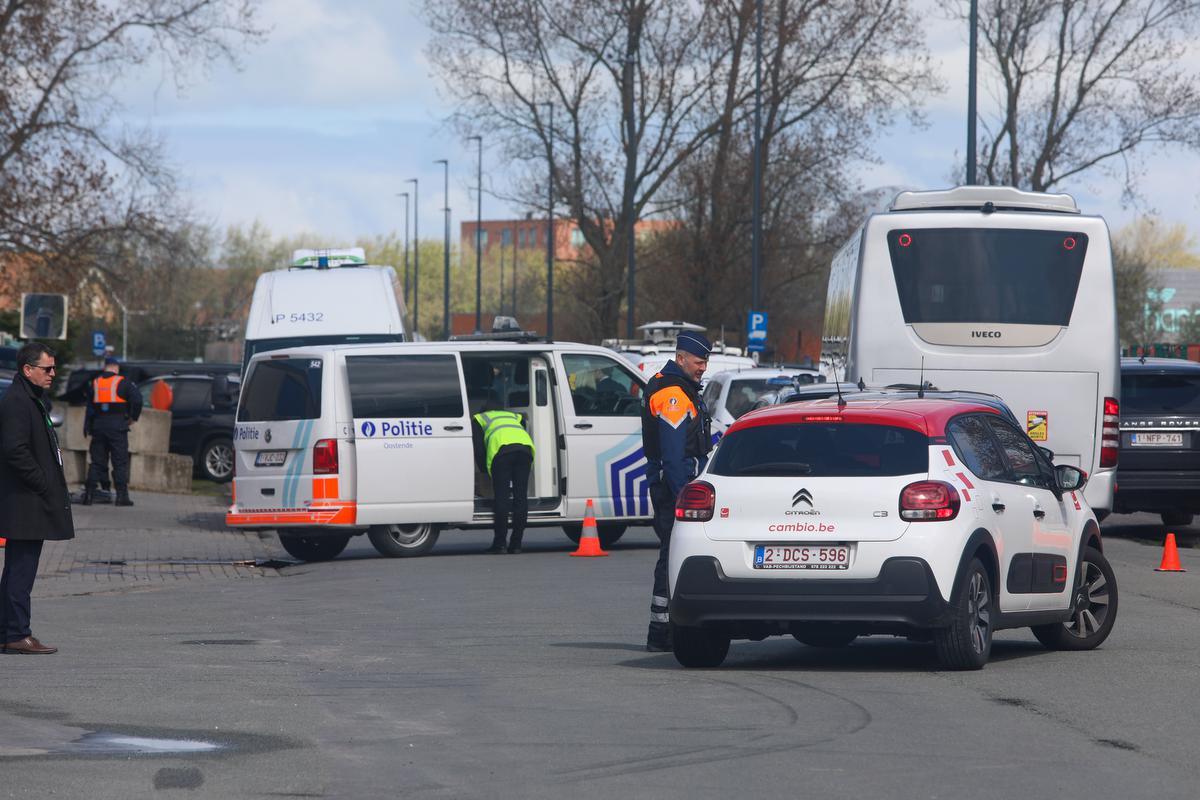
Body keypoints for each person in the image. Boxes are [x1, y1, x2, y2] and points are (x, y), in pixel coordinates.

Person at [640, 330, 713, 652]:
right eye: (699, 362)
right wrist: (685, 495)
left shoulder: (674, 385)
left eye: (705, 362)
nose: (703, 368)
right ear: (681, 358)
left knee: (672, 555)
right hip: (675, 490)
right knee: (672, 556)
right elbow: (672, 456)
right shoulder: (673, 394)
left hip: (672, 486)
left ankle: (664, 628)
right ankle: (661, 632)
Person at [0, 342, 75, 654]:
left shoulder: (30, 398)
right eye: (47, 369)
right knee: (20, 569)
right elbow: (14, 449)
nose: (52, 374)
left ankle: (9, 631)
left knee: (19, 568)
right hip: (24, 501)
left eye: (54, 368)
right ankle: (17, 633)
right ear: (27, 370)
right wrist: (42, 482)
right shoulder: (18, 401)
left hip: (28, 499)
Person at [473, 399, 535, 554]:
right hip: (525, 451)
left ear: (484, 410)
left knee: (502, 498)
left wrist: (484, 472)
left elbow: (479, 450)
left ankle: (500, 544)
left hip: (502, 453)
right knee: (520, 497)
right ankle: (516, 545)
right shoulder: (514, 417)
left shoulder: (480, 419)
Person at [82, 356, 142, 506]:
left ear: (105, 367)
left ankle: (88, 495)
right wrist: (133, 417)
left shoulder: (95, 383)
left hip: (98, 426)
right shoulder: (123, 382)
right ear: (116, 368)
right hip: (117, 427)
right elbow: (138, 400)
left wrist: (87, 426)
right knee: (120, 462)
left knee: (96, 461)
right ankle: (122, 497)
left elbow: (89, 408)